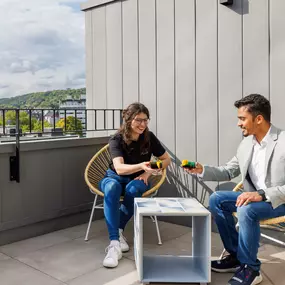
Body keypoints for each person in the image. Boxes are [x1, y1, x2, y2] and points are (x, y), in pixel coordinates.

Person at [186, 94, 285, 285]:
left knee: (246, 209)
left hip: (279, 201)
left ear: (258, 119)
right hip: (254, 199)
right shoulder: (246, 143)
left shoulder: (283, 141)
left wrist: (262, 194)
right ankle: (236, 255)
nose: (239, 124)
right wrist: (201, 169)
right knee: (216, 199)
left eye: (242, 118)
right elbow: (228, 170)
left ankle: (251, 268)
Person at [99, 102, 171, 268]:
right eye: (139, 120)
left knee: (134, 189)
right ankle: (114, 243)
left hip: (137, 178)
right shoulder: (116, 139)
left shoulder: (149, 137)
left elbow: (166, 159)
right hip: (114, 177)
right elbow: (119, 168)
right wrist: (142, 166)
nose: (143, 124)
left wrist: (146, 173)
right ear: (128, 120)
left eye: (146, 120)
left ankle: (118, 231)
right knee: (112, 188)